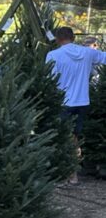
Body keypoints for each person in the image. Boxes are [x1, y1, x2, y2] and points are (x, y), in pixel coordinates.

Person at [45, 26, 106, 184]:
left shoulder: (53, 55)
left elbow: (49, 80)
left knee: (62, 137)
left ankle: (65, 174)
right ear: (73, 38)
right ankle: (73, 174)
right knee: (75, 137)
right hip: (82, 101)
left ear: (58, 39)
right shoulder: (88, 53)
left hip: (62, 102)